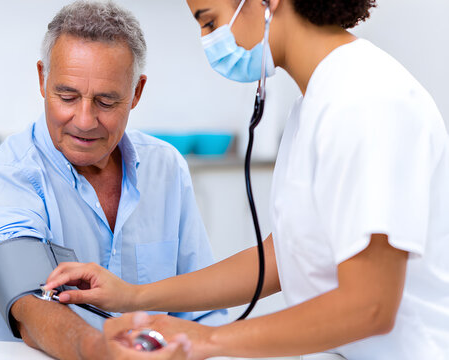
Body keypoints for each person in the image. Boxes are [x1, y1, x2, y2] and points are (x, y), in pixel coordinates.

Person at [44, 0, 449, 358]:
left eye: (210, 20)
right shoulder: (316, 102)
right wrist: (134, 296)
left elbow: (370, 307)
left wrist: (204, 340)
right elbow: (281, 258)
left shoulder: (367, 101)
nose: (209, 40)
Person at [0, 1, 227, 359]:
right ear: (42, 79)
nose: (84, 120)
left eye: (106, 102)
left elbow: (203, 311)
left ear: (136, 93)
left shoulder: (165, 168)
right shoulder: (4, 180)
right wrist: (104, 352)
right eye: (67, 96)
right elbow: (32, 307)